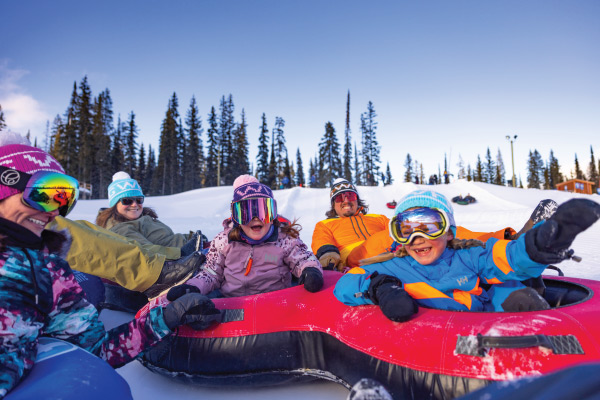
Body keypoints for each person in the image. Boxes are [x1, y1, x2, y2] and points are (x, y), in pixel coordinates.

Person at [0, 134, 221, 398]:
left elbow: (95, 348)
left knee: (111, 389)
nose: (54, 212)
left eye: (62, 200)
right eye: (44, 194)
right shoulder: (110, 230)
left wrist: (168, 317)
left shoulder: (49, 272)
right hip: (143, 271)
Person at [334, 190, 600, 321]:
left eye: (429, 226)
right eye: (406, 229)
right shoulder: (394, 266)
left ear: (449, 232)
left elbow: (501, 258)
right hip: (439, 334)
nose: (417, 238)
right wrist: (381, 287)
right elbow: (345, 285)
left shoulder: (466, 255)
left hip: (482, 317)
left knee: (520, 295)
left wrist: (535, 248)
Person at [312, 178, 519, 272]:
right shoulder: (325, 224)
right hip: (357, 255)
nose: (346, 200)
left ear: (357, 199)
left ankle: (502, 238)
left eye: (349, 195)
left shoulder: (377, 219)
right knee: (388, 237)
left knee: (433, 228)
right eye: (340, 198)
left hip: (391, 249)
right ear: (333, 204)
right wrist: (330, 261)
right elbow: (322, 245)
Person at [184, 174, 323, 297]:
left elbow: (302, 258)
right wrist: (194, 286)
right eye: (246, 213)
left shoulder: (283, 240)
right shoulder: (224, 241)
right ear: (236, 218)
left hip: (275, 303)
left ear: (273, 216)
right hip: (234, 305)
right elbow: (211, 273)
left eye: (264, 211)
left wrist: (310, 270)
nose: (256, 218)